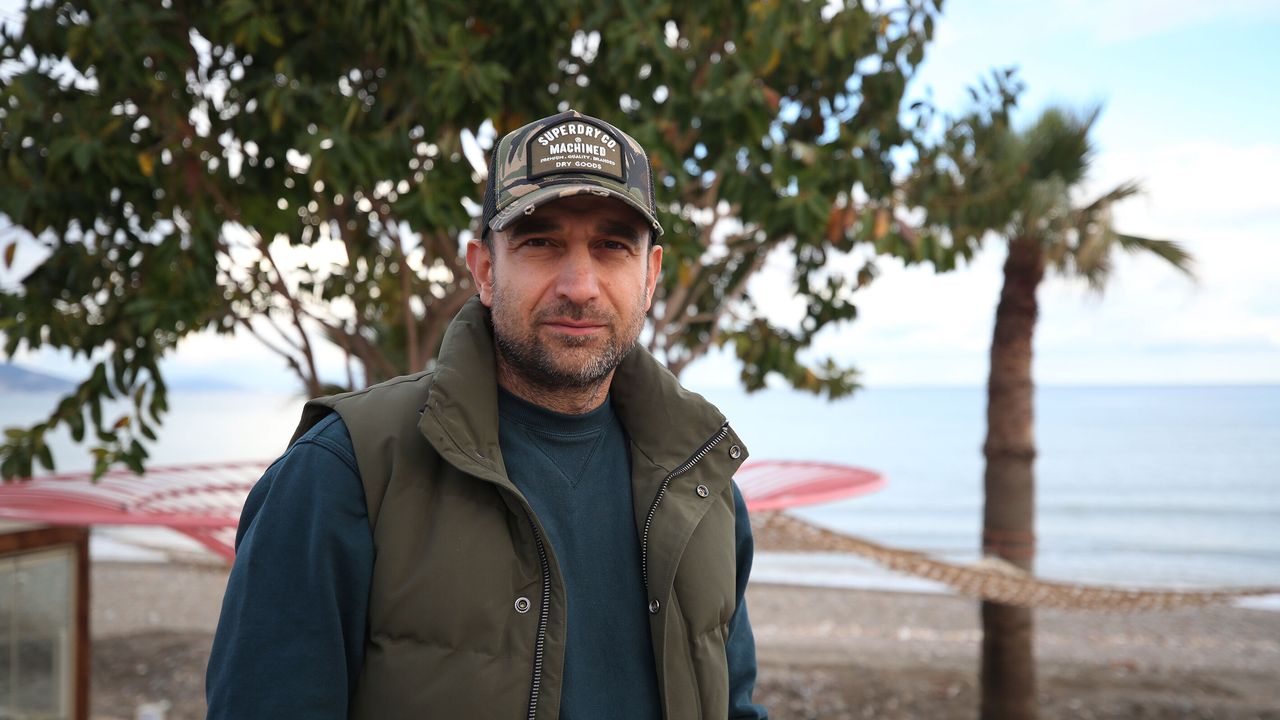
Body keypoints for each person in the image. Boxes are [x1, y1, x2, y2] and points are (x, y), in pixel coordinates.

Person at [206, 109, 769, 719]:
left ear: (651, 275)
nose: (579, 286)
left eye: (612, 246)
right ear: (484, 270)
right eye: (540, 243)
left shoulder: (700, 487)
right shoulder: (344, 472)